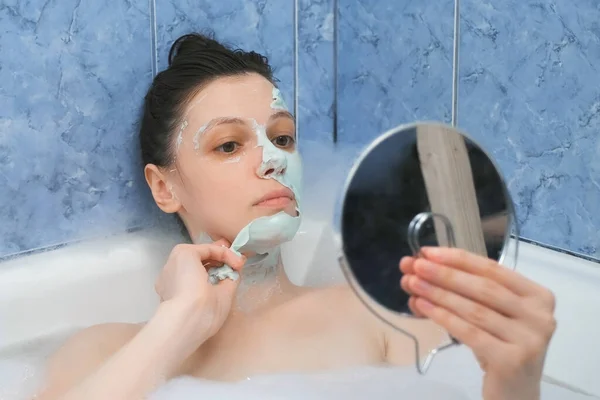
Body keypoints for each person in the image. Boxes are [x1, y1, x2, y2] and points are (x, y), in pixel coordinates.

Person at [36, 33, 556, 400]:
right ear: (164, 186)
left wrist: (517, 385)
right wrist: (177, 324)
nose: (273, 158)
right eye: (229, 144)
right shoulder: (103, 351)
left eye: (282, 137)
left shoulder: (381, 316)